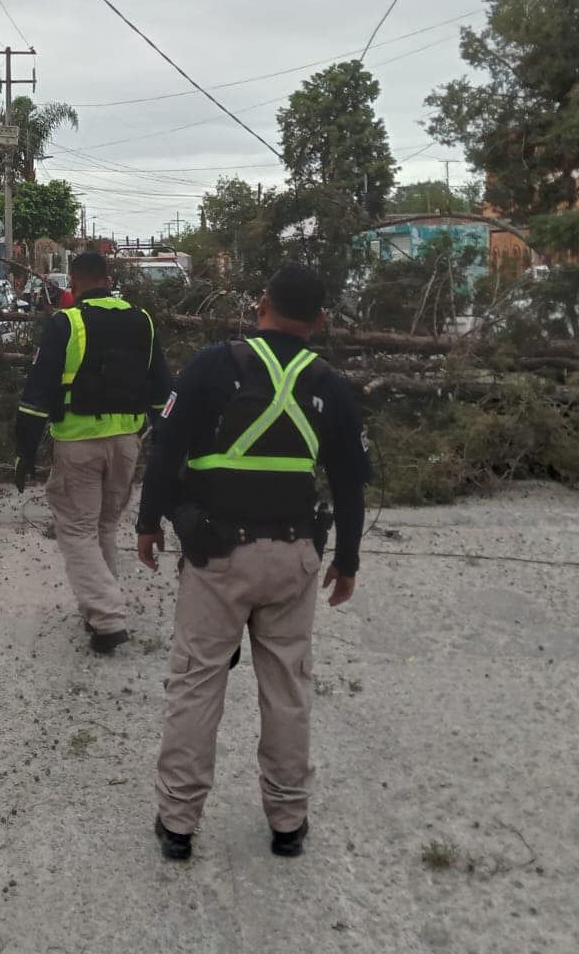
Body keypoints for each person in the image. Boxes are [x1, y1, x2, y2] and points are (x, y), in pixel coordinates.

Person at [135, 264, 370, 862]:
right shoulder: (331, 384)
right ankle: (288, 822)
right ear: (321, 321)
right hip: (294, 556)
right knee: (287, 687)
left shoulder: (215, 364)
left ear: (260, 305)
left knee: (196, 682)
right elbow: (348, 482)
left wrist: (148, 522)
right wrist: (347, 559)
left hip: (218, 556)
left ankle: (179, 824)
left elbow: (165, 449)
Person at [14, 250, 172, 654]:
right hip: (127, 445)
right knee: (102, 526)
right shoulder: (143, 321)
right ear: (109, 278)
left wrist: (25, 452)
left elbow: (38, 394)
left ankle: (108, 616)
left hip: (79, 444)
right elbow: (164, 390)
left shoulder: (67, 322)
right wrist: (168, 436)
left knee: (78, 530)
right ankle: (97, 612)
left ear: (75, 284)